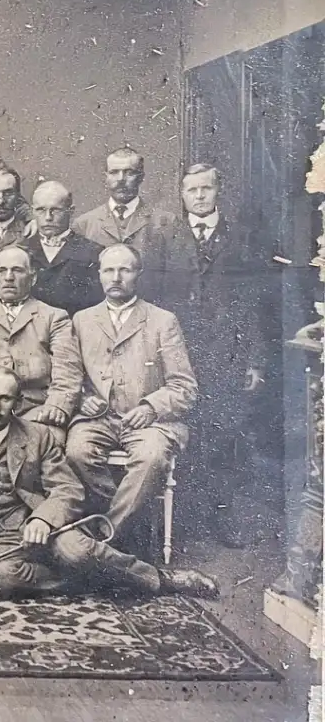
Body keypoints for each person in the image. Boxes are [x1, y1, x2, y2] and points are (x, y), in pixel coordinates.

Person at [0, 366, 218, 599]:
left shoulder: (38, 435)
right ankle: (96, 582)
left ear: (18, 402)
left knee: (78, 550)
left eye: (5, 398)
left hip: (42, 526)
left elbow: (67, 488)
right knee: (5, 578)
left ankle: (161, 579)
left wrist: (44, 520)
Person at [159, 164, 269, 546]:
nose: (200, 196)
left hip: (226, 352)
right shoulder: (166, 236)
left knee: (225, 435)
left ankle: (222, 517)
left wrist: (254, 359)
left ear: (217, 191)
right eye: (192, 189)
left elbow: (252, 303)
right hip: (179, 352)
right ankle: (183, 521)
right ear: (183, 193)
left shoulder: (239, 238)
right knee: (184, 433)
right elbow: (155, 297)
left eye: (206, 188)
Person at [65, 243, 198, 547]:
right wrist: (84, 398)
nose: (116, 277)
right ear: (99, 275)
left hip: (150, 422)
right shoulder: (82, 320)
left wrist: (151, 407)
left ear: (138, 274)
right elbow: (72, 377)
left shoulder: (163, 321)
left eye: (124, 269)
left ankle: (106, 535)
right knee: (76, 452)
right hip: (98, 419)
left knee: (151, 458)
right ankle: (127, 524)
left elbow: (185, 387)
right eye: (109, 270)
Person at [0, 245, 83, 442]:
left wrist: (57, 405)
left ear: (32, 277)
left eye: (17, 270)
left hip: (36, 408)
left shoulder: (54, 317)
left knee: (46, 442)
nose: (9, 277)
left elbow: (68, 371)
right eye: (2, 271)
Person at [71, 147, 176, 296]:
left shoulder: (165, 222)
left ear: (141, 177)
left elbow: (173, 280)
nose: (121, 179)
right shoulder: (84, 224)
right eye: (114, 172)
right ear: (105, 177)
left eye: (129, 172)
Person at [21, 180, 104, 317]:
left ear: (71, 211)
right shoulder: (21, 250)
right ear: (32, 211)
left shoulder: (93, 252)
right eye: (41, 210)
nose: (48, 217)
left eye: (56, 210)